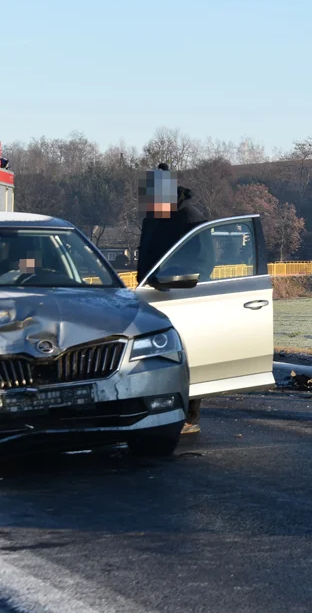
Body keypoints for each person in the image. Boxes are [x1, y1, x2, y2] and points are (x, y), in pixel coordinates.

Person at [136, 164, 211, 435]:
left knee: (185, 356)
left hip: (181, 295)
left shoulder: (190, 219)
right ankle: (156, 409)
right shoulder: (155, 215)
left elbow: (204, 261)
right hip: (151, 295)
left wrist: (174, 280)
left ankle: (190, 416)